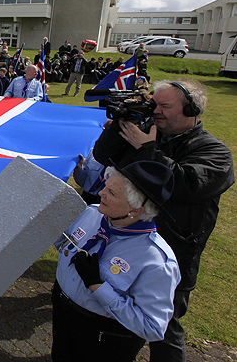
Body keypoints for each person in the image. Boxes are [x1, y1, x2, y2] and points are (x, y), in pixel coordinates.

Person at [93, 80, 234, 362]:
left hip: (172, 256)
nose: (156, 111)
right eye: (154, 103)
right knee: (118, 327)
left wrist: (149, 148)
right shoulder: (146, 134)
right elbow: (103, 155)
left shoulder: (216, 153)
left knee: (164, 331)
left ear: (191, 110)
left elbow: (184, 185)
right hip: (126, 248)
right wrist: (122, 121)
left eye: (165, 106)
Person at [52, 161, 180, 362]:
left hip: (100, 335)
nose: (101, 193)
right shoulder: (92, 213)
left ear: (137, 209)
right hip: (63, 311)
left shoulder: (156, 261)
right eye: (106, 186)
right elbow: (65, 242)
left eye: (112, 193)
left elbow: (152, 327)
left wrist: (98, 287)